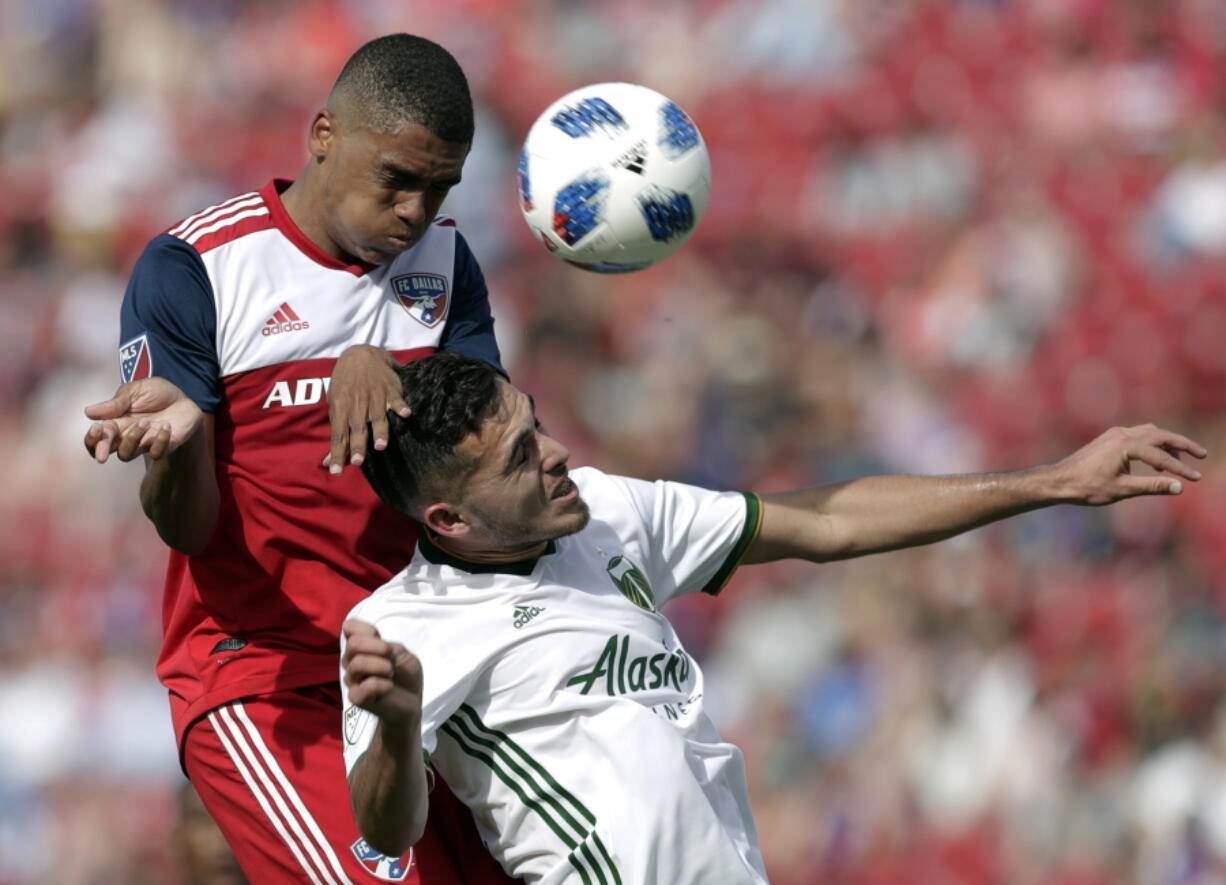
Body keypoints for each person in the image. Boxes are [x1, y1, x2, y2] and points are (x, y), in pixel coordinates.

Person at [340, 352, 1208, 884]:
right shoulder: (401, 629)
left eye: (539, 426)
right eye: (522, 457)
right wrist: (397, 723)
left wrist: (1054, 481)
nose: (558, 454)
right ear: (448, 520)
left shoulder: (609, 511)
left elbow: (826, 519)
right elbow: (387, 830)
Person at [83, 35, 518, 885]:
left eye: (439, 188)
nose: (415, 211)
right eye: (397, 178)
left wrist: (380, 364)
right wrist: (177, 452)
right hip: (270, 673)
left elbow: (487, 460)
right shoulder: (198, 268)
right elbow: (191, 526)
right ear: (324, 135)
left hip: (429, 665)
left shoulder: (447, 264)